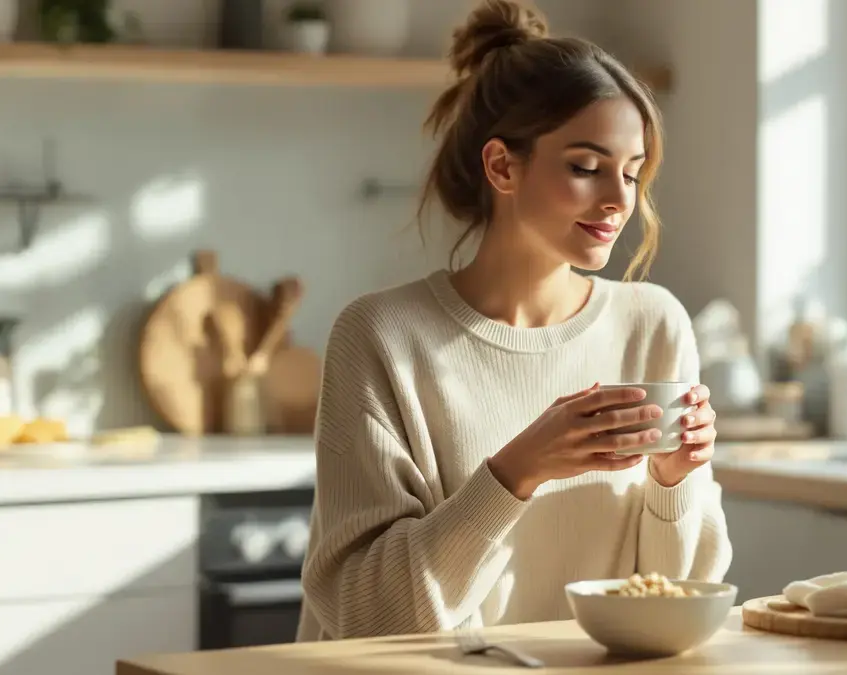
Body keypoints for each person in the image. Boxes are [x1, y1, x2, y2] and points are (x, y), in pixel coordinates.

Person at [295, 0, 733, 642]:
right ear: (502, 165)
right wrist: (516, 472)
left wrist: (673, 482)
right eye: (586, 168)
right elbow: (370, 617)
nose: (619, 200)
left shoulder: (654, 326)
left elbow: (676, 608)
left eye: (632, 173)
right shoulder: (382, 336)